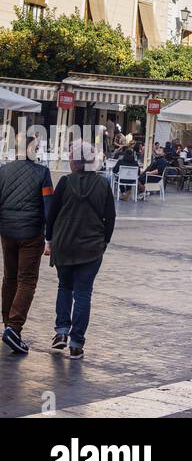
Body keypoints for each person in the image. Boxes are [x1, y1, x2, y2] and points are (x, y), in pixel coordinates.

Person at [46, 139, 115, 360]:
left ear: (74, 161)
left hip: (64, 244)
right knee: (83, 293)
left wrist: (49, 239)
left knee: (65, 287)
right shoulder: (103, 184)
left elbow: (52, 214)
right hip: (92, 247)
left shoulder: (65, 182)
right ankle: (77, 343)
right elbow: (110, 217)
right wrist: (104, 241)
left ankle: (61, 331)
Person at [0, 128, 53, 355]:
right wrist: (50, 237)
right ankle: (14, 327)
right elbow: (48, 206)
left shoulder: (2, 171)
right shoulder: (42, 173)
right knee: (27, 280)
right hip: (31, 234)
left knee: (10, 277)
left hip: (7, 232)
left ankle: (7, 324)